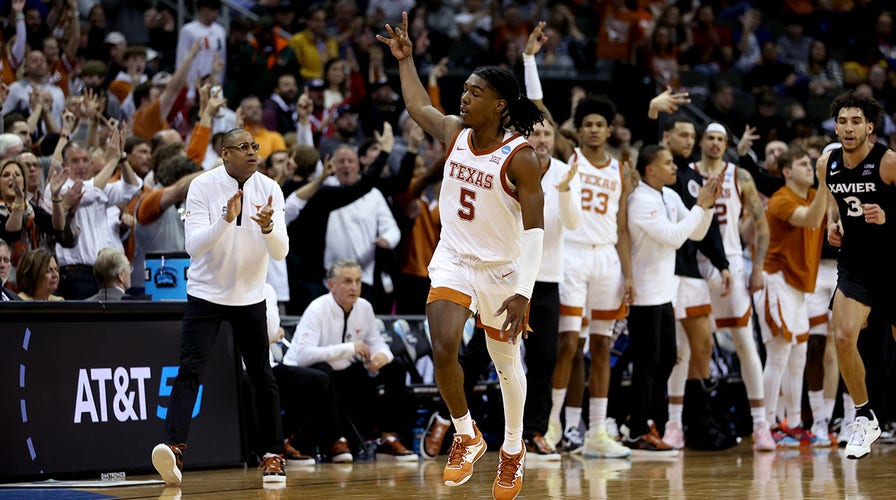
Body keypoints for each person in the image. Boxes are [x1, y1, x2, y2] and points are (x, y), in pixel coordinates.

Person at [379, 12, 545, 500]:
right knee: (444, 344)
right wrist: (407, 61)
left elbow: (536, 232)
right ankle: (467, 434)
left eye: (475, 93)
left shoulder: (522, 158)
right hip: (454, 256)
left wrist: (522, 293)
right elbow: (414, 105)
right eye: (465, 90)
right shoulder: (453, 133)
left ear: (499, 105)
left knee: (505, 363)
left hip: (503, 268)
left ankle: (512, 450)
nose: (464, 97)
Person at [151, 128, 289, 486]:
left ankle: (273, 454)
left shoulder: (270, 189)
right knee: (189, 371)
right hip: (207, 293)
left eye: (254, 146)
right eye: (242, 147)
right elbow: (194, 246)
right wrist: (226, 219)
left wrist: (270, 228)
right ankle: (174, 448)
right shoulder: (202, 186)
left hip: (250, 295)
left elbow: (281, 251)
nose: (252, 152)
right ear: (224, 154)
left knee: (262, 375)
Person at [545, 94, 634, 460]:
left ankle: (596, 430)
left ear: (609, 129)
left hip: (607, 260)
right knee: (567, 344)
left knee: (601, 347)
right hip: (573, 254)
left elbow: (623, 226)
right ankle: (551, 425)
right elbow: (543, 116)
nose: (595, 130)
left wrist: (628, 274)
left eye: (600, 124)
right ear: (578, 130)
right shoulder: (570, 155)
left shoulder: (621, 169)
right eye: (588, 125)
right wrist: (531, 62)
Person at [625, 145, 720, 454]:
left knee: (666, 358)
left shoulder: (668, 195)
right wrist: (699, 207)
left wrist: (706, 206)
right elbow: (675, 236)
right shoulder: (639, 200)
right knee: (646, 363)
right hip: (642, 295)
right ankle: (637, 427)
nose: (673, 167)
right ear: (650, 169)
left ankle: (640, 419)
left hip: (664, 294)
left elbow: (696, 233)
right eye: (667, 163)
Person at [819, 91, 896, 459]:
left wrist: (888, 217)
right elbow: (834, 205)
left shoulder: (889, 163)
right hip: (855, 265)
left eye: (855, 121)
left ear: (870, 128)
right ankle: (865, 417)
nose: (847, 128)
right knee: (844, 335)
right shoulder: (827, 163)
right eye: (842, 121)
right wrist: (835, 226)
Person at [281, 259, 418, 461]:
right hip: (303, 375)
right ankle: (335, 440)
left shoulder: (364, 308)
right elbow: (303, 356)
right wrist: (348, 348)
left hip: (342, 373)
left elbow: (377, 343)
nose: (354, 287)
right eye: (347, 281)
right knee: (323, 370)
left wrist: (382, 356)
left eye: (358, 281)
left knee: (395, 366)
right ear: (331, 285)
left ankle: (387, 438)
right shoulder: (317, 309)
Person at [690, 122, 773, 448]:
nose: (714, 143)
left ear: (726, 144)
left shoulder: (740, 176)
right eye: (709, 138)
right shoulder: (687, 173)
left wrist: (759, 268)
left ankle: (761, 424)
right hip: (696, 268)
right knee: (689, 348)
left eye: (720, 139)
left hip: (734, 264)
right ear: (702, 142)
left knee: (745, 342)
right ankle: (676, 424)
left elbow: (762, 226)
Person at [754, 146, 826, 444]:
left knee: (799, 356)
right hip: (777, 282)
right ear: (786, 172)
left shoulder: (812, 196)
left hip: (799, 287)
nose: (809, 168)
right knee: (780, 353)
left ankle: (793, 423)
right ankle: (766, 424)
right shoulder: (781, 199)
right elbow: (810, 219)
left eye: (811, 165)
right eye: (802, 165)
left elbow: (826, 214)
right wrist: (824, 182)